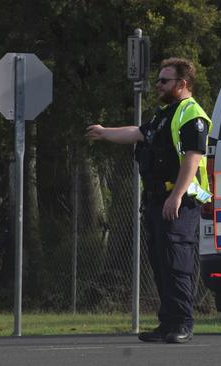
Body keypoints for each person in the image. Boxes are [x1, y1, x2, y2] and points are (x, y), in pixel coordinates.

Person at [86, 58, 212, 344]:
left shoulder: (191, 114)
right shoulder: (164, 114)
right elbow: (140, 132)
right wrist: (105, 132)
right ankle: (167, 323)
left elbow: (192, 159)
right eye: (158, 79)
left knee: (176, 262)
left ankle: (182, 324)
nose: (158, 85)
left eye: (164, 81)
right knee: (160, 262)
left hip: (181, 200)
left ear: (182, 84)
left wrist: (177, 196)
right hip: (158, 199)